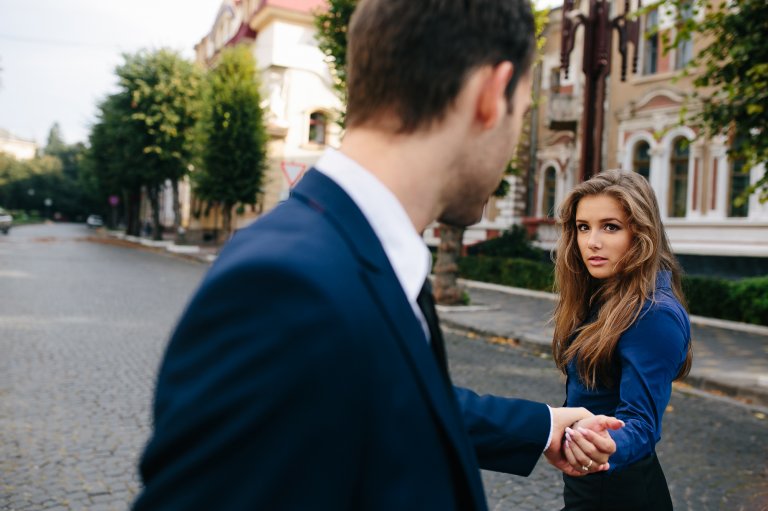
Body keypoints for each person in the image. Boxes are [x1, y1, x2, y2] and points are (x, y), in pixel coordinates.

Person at [133, 1, 622, 510]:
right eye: (521, 114)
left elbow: (379, 400)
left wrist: (540, 426)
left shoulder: (358, 248)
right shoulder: (285, 286)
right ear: (490, 96)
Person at [551, 169, 693, 510]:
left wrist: (602, 445)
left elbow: (642, 425)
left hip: (616, 491)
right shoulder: (603, 295)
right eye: (583, 227)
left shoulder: (653, 313)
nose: (591, 242)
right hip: (589, 483)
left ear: (640, 234)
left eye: (610, 227)